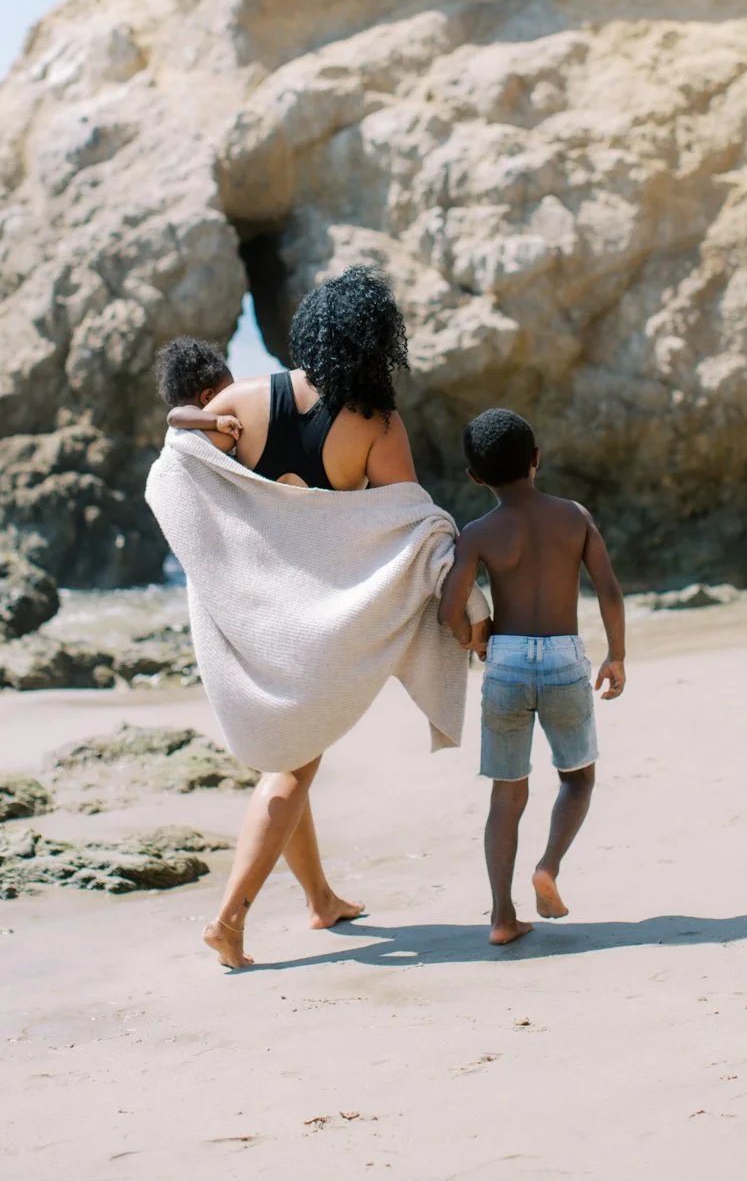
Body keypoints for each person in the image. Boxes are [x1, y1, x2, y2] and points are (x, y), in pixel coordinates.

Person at [161, 266, 459, 969]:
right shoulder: (377, 424)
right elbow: (409, 526)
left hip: (250, 612)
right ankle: (229, 919)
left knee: (290, 754)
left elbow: (180, 462)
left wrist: (214, 566)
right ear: (379, 344)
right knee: (293, 767)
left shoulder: (243, 397)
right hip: (317, 619)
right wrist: (461, 598)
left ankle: (320, 899)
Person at [438, 407, 626, 947]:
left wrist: (475, 639)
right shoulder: (574, 516)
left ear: (475, 477)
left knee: (507, 794)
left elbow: (449, 611)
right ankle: (548, 867)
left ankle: (502, 916)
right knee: (578, 779)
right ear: (536, 458)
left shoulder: (478, 533)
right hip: (565, 657)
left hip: (508, 662)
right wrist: (616, 656)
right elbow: (609, 590)